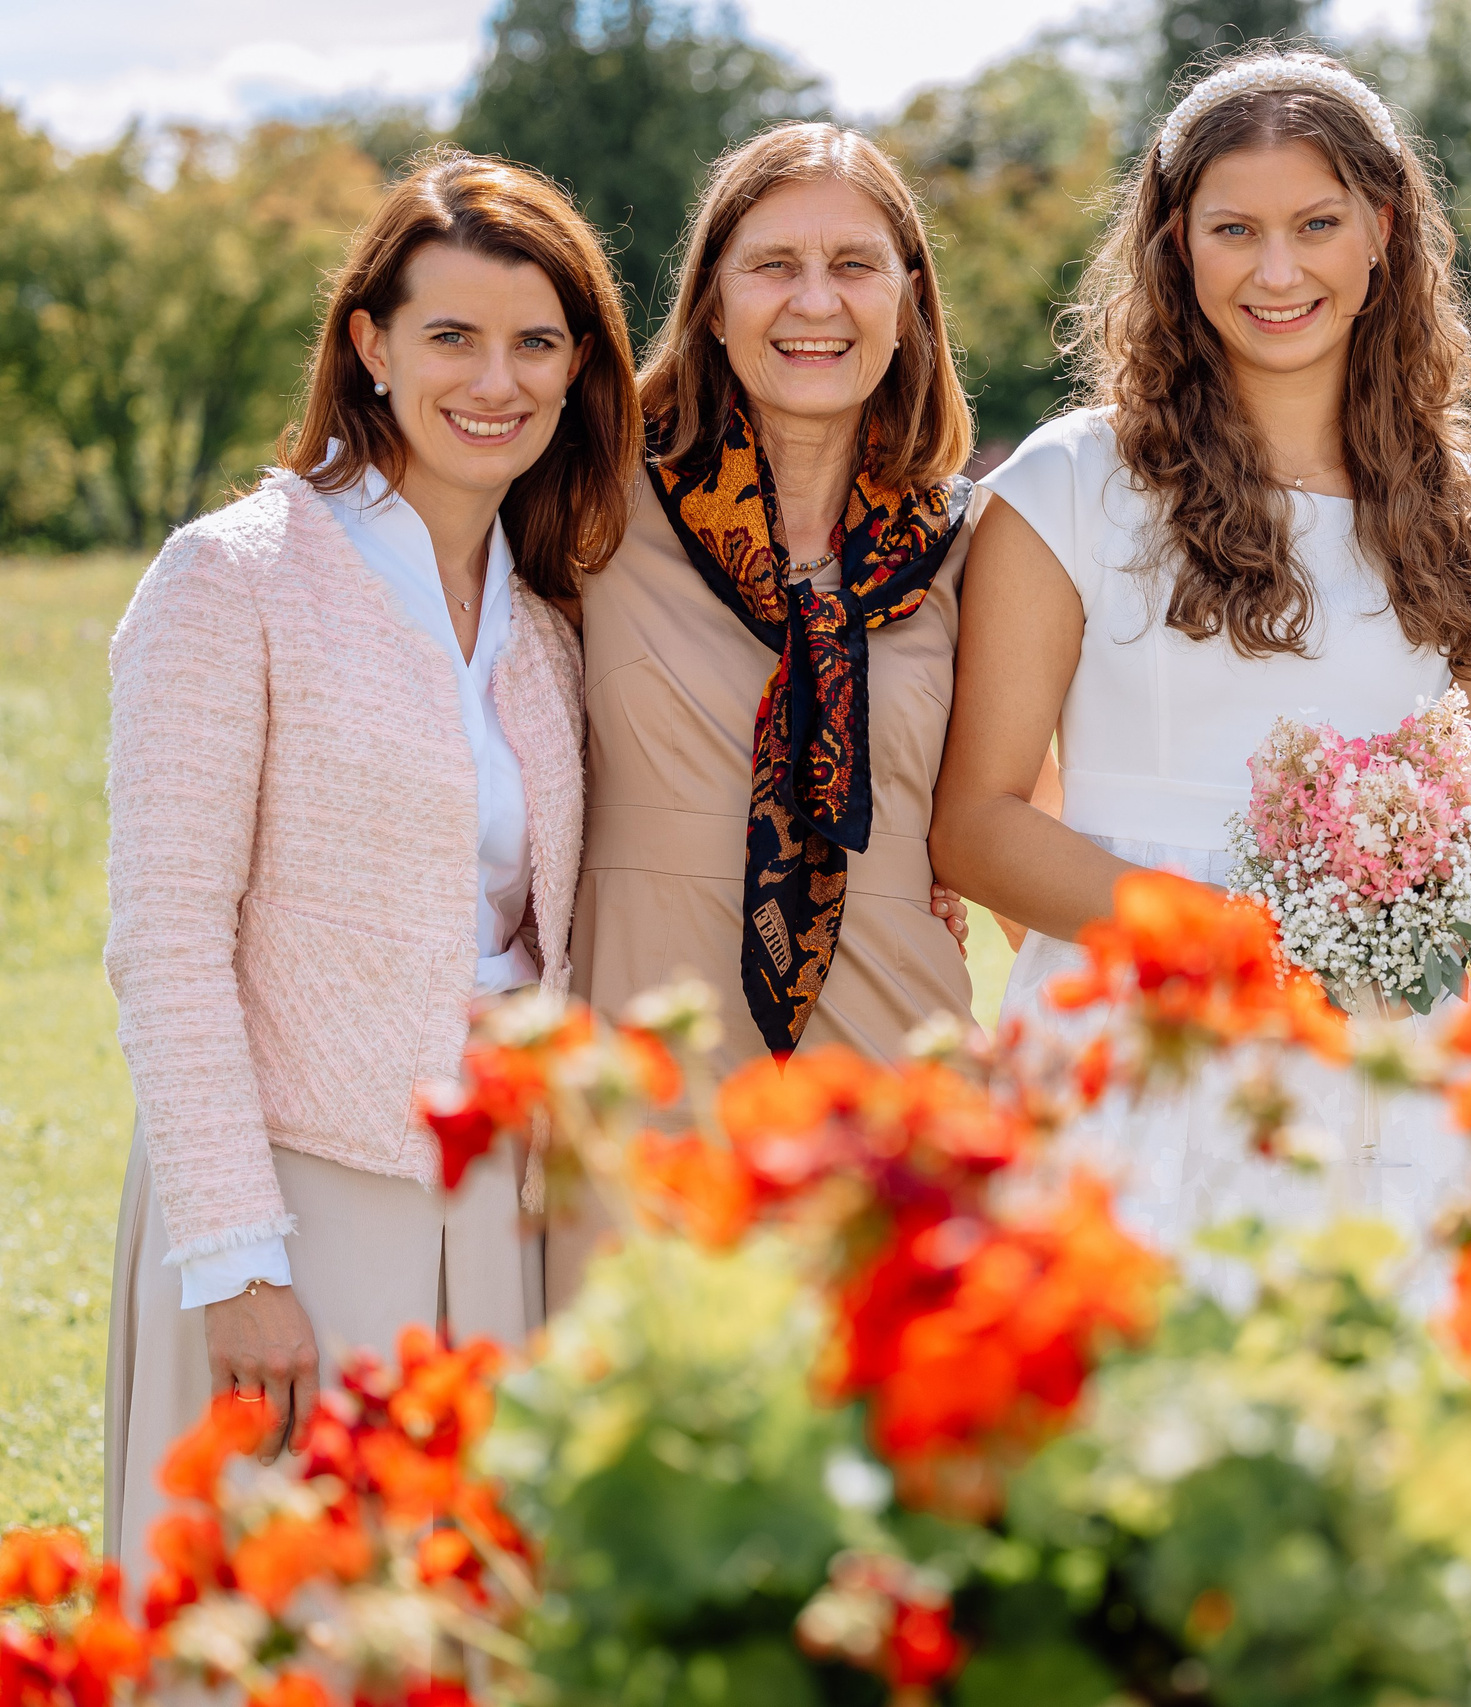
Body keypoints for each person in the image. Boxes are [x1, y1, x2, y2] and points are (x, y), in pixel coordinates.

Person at [102, 150, 637, 1567]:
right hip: (295, 1187)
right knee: (293, 1620)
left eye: (536, 344)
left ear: (578, 365)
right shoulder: (234, 577)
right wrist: (237, 1256)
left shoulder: (544, 618)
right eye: (451, 336)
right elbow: (165, 937)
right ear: (370, 345)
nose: (496, 381)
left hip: (494, 1194)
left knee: (464, 1618)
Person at [929, 51, 1471, 1275]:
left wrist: (1371, 951)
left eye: (1316, 225)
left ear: (1380, 232)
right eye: (1232, 230)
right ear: (1174, 243)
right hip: (1133, 1043)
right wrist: (1235, 946)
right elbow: (978, 826)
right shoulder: (1070, 485)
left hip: (1381, 1065)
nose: (1277, 271)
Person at [551, 122, 979, 1299]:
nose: (814, 302)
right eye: (772, 264)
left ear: (908, 302)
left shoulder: (969, 545)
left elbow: (1004, 815)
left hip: (894, 1067)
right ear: (712, 301)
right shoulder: (585, 501)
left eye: (853, 265)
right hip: (651, 1063)